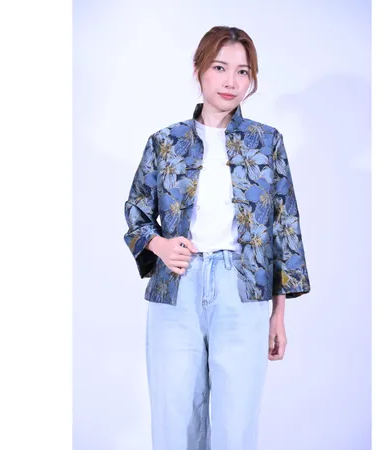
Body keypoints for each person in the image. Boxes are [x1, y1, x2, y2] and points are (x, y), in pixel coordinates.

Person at [123, 25, 311, 450]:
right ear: (199, 71)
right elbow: (136, 211)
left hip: (242, 291)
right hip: (177, 289)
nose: (231, 81)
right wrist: (159, 245)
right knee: (175, 422)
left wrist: (278, 314)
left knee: (236, 425)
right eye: (220, 67)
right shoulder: (165, 142)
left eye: (243, 72)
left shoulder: (267, 143)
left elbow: (284, 227)